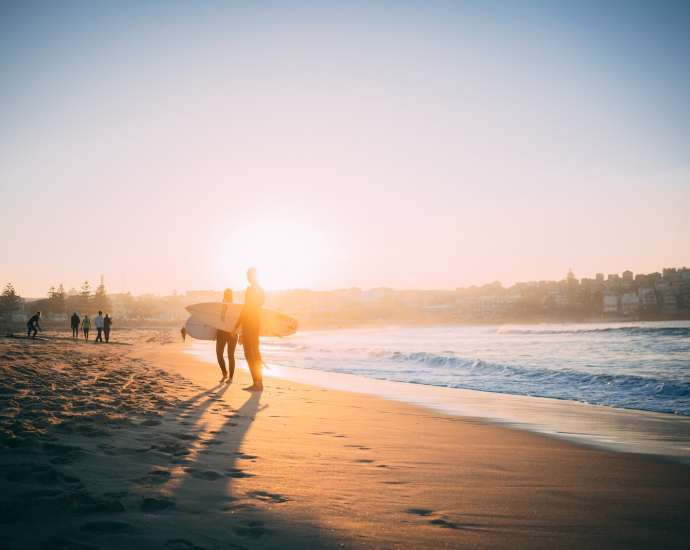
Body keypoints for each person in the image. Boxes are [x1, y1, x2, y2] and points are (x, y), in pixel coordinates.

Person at [231, 268, 265, 391]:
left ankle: (256, 383)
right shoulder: (261, 290)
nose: (247, 277)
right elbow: (257, 308)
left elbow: (246, 309)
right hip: (256, 323)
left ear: (251, 276)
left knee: (248, 353)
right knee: (256, 352)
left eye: (248, 275)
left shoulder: (250, 290)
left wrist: (236, 327)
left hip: (249, 323)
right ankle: (260, 383)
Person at [217, 289, 239, 383]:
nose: (228, 295)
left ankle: (231, 378)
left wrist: (240, 334)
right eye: (226, 294)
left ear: (232, 296)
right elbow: (215, 319)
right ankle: (224, 374)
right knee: (219, 354)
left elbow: (239, 320)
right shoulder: (219, 306)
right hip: (221, 332)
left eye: (230, 294)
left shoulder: (235, 307)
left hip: (232, 333)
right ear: (224, 295)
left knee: (230, 355)